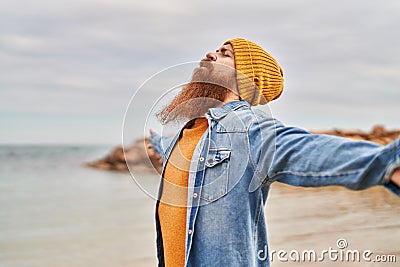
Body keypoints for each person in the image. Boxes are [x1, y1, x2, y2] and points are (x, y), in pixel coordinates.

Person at [147, 38, 400, 267]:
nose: (210, 54)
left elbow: (302, 149)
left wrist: (387, 164)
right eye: (216, 49)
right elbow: (174, 152)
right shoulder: (192, 130)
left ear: (247, 79)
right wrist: (156, 144)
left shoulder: (249, 130)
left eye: (225, 54)